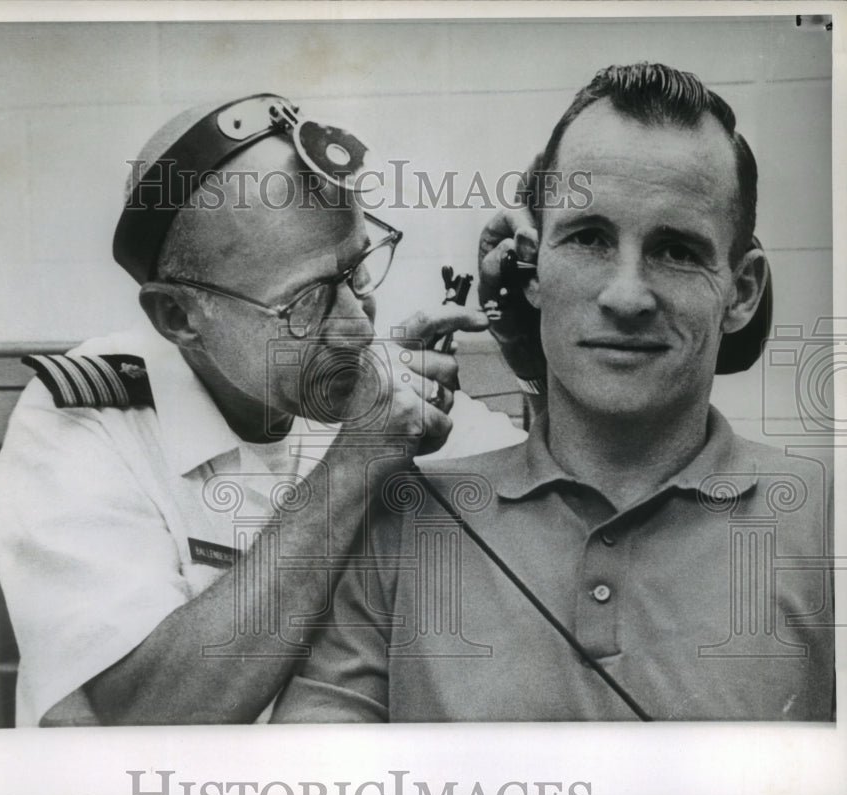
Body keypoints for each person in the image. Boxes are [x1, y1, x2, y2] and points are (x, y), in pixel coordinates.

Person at [271, 63, 835, 722]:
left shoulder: (827, 521)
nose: (627, 296)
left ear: (740, 292)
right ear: (532, 270)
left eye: (677, 250)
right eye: (590, 239)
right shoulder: (401, 519)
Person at [0, 94, 523, 726]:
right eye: (304, 304)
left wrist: (529, 341)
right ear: (178, 318)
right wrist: (356, 462)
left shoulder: (352, 382)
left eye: (356, 271)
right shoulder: (80, 421)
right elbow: (143, 718)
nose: (355, 328)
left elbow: (537, 472)